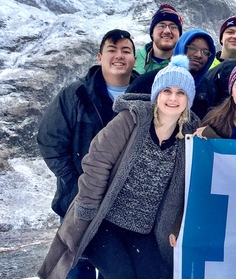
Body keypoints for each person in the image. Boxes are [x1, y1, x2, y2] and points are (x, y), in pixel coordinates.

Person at [38, 55, 200, 279]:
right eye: (167, 91)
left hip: (143, 230)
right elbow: (96, 163)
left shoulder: (189, 136)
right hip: (105, 222)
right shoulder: (131, 121)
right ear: (157, 94)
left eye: (181, 93)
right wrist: (86, 208)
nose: (173, 98)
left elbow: (188, 187)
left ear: (188, 99)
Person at [36, 29, 137, 279]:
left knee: (116, 272)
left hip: (123, 209)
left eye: (126, 51)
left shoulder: (145, 97)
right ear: (99, 56)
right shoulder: (75, 95)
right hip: (77, 202)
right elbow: (50, 142)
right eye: (112, 50)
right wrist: (76, 186)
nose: (119, 56)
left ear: (135, 59)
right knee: (75, 268)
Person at [126, 29, 216, 119]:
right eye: (192, 48)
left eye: (205, 52)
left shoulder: (210, 89)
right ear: (181, 47)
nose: (198, 55)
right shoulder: (148, 81)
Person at [133, 3, 183, 74]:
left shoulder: (189, 64)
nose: (167, 31)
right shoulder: (132, 59)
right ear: (152, 33)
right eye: (161, 26)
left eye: (173, 27)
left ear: (179, 35)